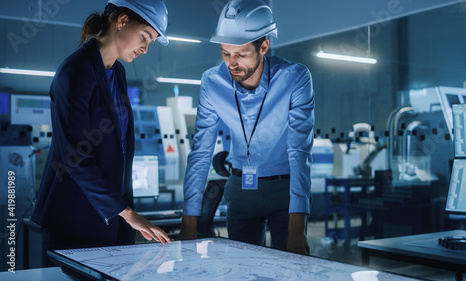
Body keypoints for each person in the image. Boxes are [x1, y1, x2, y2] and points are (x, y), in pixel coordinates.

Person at [31, 0, 171, 267]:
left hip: (111, 219)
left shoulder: (116, 71)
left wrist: (124, 214)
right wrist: (127, 213)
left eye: (150, 42)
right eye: (144, 37)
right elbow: (75, 156)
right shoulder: (75, 72)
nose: (145, 48)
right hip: (73, 220)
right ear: (121, 21)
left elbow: (116, 146)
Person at [178, 0, 314, 255]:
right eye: (226, 53)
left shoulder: (295, 78)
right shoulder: (212, 81)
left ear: (263, 46)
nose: (232, 63)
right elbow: (201, 152)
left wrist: (297, 230)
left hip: (285, 189)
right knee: (241, 267)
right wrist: (189, 223)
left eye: (241, 54)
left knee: (290, 268)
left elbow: (300, 152)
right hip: (240, 186)